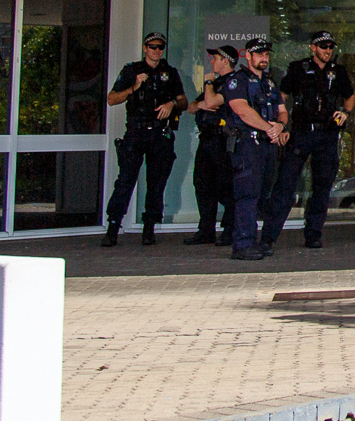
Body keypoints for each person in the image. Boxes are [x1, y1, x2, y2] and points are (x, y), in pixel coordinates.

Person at [269, 30, 355, 251]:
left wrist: (345, 112)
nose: (328, 50)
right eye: (323, 46)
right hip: (301, 132)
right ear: (313, 48)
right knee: (285, 185)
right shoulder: (298, 68)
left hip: (326, 133)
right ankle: (269, 236)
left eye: (330, 47)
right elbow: (283, 96)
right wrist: (281, 123)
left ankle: (314, 233)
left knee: (322, 186)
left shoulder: (338, 71)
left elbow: (350, 95)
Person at [103, 32, 189, 247]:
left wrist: (171, 104)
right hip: (136, 132)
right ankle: (113, 226)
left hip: (160, 134)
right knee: (125, 181)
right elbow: (112, 99)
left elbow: (184, 102)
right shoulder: (132, 70)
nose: (156, 50)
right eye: (152, 47)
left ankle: (149, 227)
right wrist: (134, 87)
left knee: (156, 183)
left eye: (160, 47)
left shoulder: (170, 73)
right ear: (144, 48)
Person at [222, 38, 288, 262]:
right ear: (247, 56)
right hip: (247, 144)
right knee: (247, 194)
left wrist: (279, 125)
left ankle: (254, 240)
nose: (264, 58)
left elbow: (282, 110)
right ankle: (242, 244)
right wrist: (269, 128)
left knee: (261, 195)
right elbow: (241, 110)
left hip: (267, 145)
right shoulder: (236, 80)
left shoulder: (269, 83)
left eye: (266, 54)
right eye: (259, 54)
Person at [183, 44, 240, 246]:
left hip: (222, 140)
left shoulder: (233, 82)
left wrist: (208, 82)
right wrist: (203, 102)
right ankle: (206, 230)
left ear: (226, 60)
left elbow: (213, 102)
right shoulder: (214, 84)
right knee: (202, 184)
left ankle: (230, 230)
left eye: (215, 58)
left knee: (225, 186)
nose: (212, 62)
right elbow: (192, 107)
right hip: (206, 139)